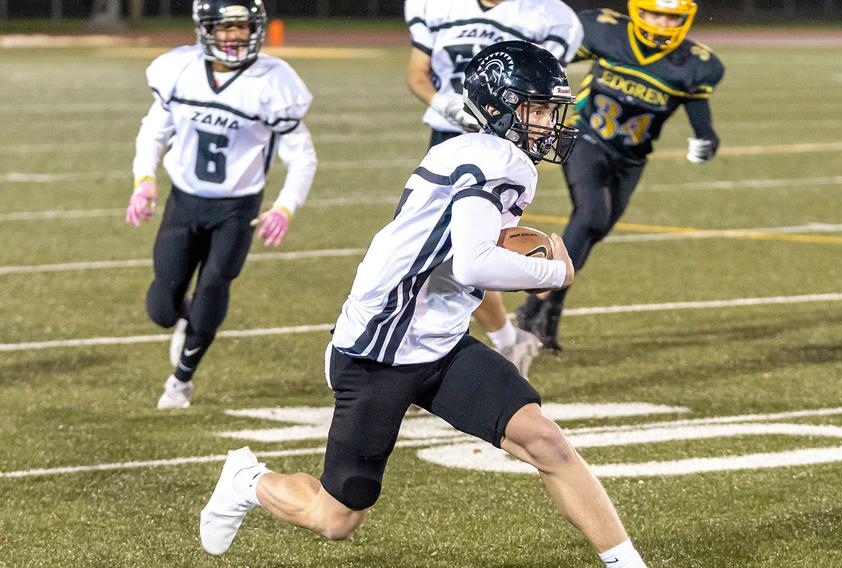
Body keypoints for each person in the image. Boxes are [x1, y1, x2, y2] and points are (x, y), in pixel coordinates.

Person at [199, 41, 649, 568]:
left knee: (546, 443)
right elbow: (474, 264)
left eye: (553, 108)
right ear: (501, 105)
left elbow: (463, 256)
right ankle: (248, 480)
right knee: (336, 518)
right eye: (538, 108)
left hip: (436, 341)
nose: (550, 122)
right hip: (379, 350)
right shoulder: (496, 159)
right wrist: (554, 271)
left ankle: (626, 564)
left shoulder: (475, 151)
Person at [126, 0, 317, 409]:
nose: (233, 36)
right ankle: (185, 321)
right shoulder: (179, 70)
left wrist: (285, 206)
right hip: (184, 202)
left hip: (237, 209)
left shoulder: (273, 80)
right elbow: (153, 131)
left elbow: (302, 156)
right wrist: (143, 180)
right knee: (161, 308)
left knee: (214, 287)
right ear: (205, 30)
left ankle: (180, 383)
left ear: (255, 29)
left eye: (241, 27)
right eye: (223, 27)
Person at [517, 0, 724, 351]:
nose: (661, 22)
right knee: (590, 216)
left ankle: (551, 310)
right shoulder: (605, 31)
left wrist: (706, 140)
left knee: (592, 233)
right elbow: (550, 62)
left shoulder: (695, 65)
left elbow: (701, 119)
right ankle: (532, 308)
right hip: (585, 138)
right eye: (656, 13)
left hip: (631, 158)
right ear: (637, 10)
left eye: (671, 16)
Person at [404, 0, 583, 376]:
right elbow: (417, 74)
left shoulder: (548, 14)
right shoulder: (434, 6)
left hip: (510, 142)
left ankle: (477, 345)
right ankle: (484, 344)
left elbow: (544, 91)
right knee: (442, 250)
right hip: (451, 138)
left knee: (475, 247)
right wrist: (445, 104)